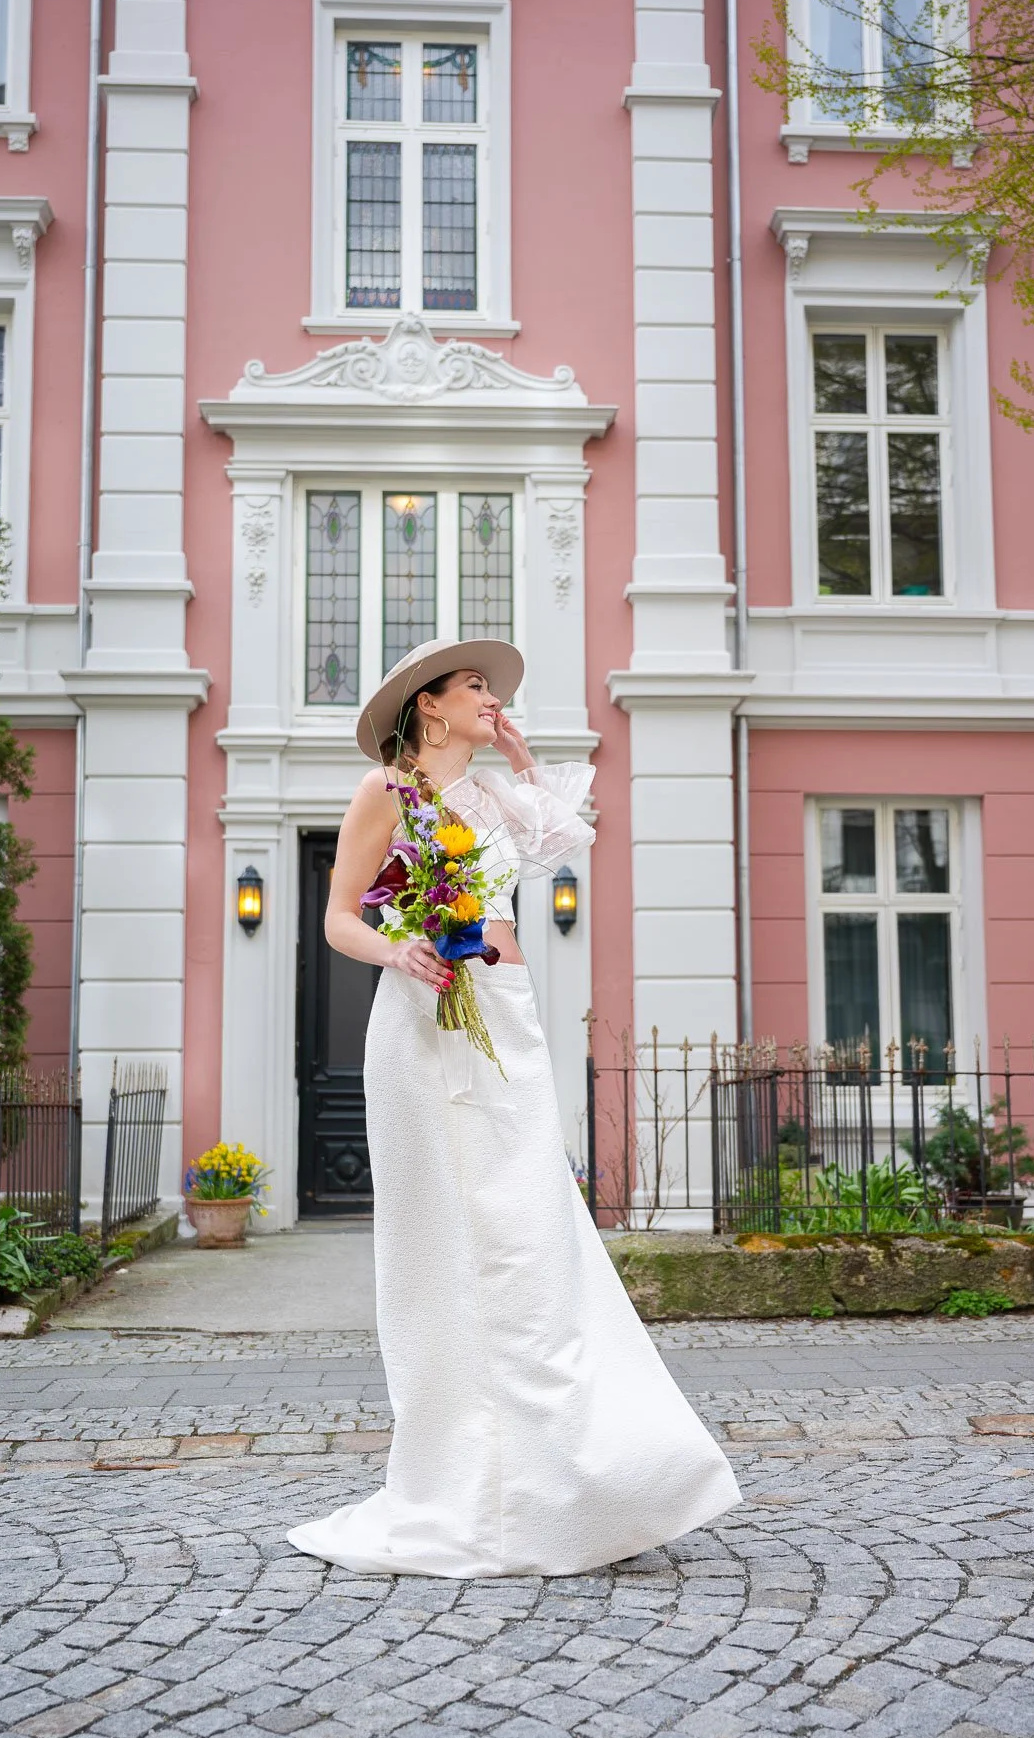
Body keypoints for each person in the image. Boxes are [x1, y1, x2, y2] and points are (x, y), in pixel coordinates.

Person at [286, 636, 740, 1577]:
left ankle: (570, 1470)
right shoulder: (387, 795)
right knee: (457, 1236)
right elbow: (340, 916)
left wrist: (526, 761)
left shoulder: (489, 796)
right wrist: (396, 951)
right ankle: (476, 1479)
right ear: (429, 707)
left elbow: (563, 840)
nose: (492, 699)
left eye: (493, 688)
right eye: (475, 687)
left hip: (508, 1018)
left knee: (533, 1225)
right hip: (427, 1020)